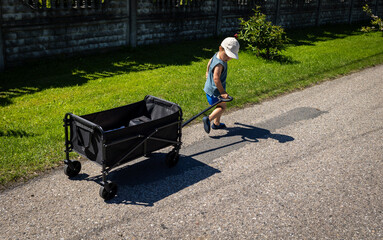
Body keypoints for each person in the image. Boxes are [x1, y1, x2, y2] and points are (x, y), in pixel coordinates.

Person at [202, 37, 240, 134]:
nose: (228, 58)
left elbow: (210, 61)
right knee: (222, 107)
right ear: (220, 48)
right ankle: (208, 119)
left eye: (231, 56)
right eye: (227, 55)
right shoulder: (220, 64)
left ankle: (217, 123)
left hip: (210, 89)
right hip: (215, 91)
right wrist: (222, 92)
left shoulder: (217, 55)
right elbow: (216, 78)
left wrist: (207, 72)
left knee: (219, 105)